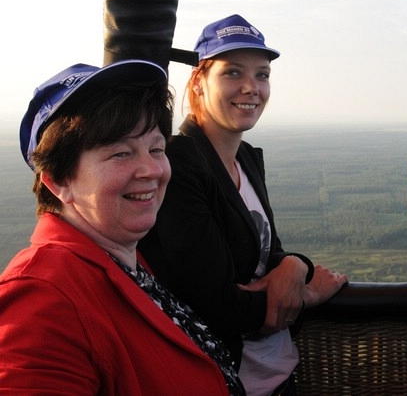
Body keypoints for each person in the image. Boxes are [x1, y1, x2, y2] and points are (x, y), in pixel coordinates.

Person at [0, 61, 245, 395]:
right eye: (120, 153)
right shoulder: (41, 296)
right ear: (58, 181)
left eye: (156, 149)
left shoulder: (122, 261)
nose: (151, 170)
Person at [139, 14, 349, 395]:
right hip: (227, 383)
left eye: (262, 75)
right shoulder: (179, 166)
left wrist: (296, 265)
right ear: (199, 82)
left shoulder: (247, 159)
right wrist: (304, 295)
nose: (252, 87)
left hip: (279, 376)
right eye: (233, 72)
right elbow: (215, 305)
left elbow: (268, 255)